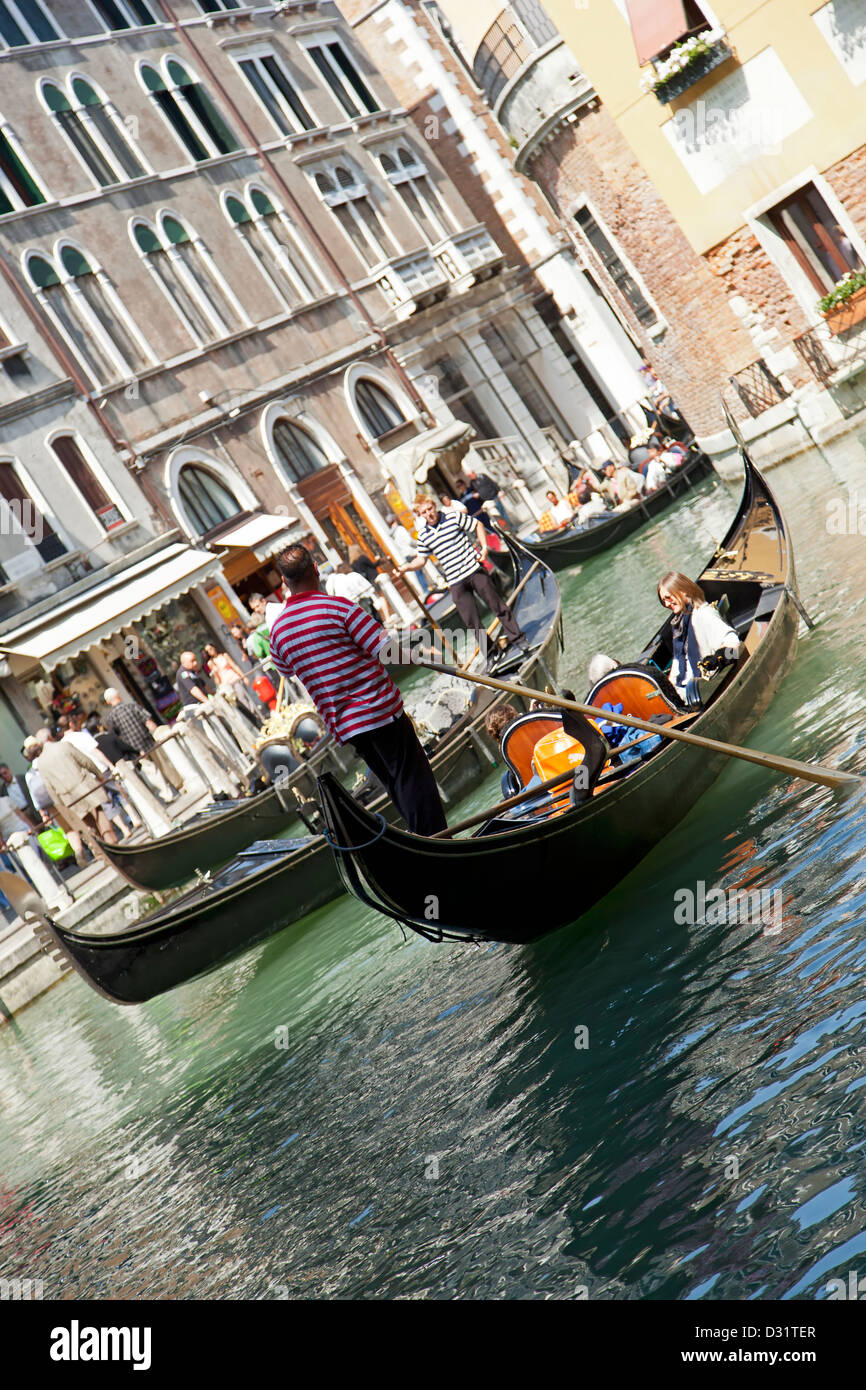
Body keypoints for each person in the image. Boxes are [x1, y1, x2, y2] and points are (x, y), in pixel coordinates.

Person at [269, 544, 446, 835]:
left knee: (393, 782)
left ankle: (425, 842)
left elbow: (286, 670)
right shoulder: (338, 608)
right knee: (412, 778)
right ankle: (437, 841)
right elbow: (386, 651)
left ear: (285, 582)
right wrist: (421, 655)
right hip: (378, 710)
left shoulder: (279, 632)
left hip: (347, 726)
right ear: (316, 571)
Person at [396, 494, 525, 651]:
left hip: (473, 569)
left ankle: (518, 638)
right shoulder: (424, 536)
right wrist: (406, 568)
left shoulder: (453, 517)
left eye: (429, 509)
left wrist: (484, 548)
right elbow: (421, 560)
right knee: (472, 621)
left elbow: (477, 525)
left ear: (434, 506)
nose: (428, 514)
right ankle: (491, 653)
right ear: (419, 515)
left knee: (497, 605)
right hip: (456, 581)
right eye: (424, 512)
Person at [658, 571, 741, 706]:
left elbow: (734, 644)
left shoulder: (703, 614)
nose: (667, 604)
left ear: (683, 590)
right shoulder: (680, 622)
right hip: (683, 687)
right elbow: (677, 663)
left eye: (668, 597)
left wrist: (718, 659)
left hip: (701, 689)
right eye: (663, 601)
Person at [36, 726, 117, 854]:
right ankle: (111, 841)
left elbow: (49, 786)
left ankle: (100, 851)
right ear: (50, 737)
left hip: (67, 796)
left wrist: (59, 804)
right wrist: (98, 774)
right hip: (83, 785)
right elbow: (84, 760)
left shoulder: (41, 762)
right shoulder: (63, 746)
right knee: (99, 813)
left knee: (88, 824)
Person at [102, 687, 184, 796]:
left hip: (135, 749)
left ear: (108, 702)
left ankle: (167, 794)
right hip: (149, 741)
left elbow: (115, 737)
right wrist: (157, 734)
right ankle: (180, 786)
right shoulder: (132, 706)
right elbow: (149, 722)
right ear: (118, 696)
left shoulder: (111, 718)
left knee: (151, 771)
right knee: (164, 764)